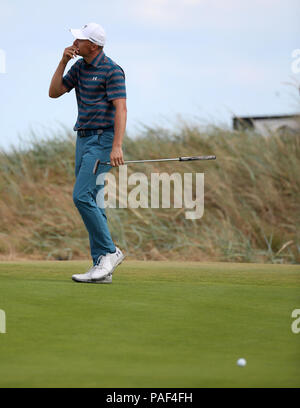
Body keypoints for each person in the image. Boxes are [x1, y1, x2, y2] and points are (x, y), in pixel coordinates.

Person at [49, 22, 126, 284]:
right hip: (83, 140)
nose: (76, 43)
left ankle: (109, 252)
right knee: (93, 199)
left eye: (80, 40)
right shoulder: (79, 67)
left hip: (102, 140)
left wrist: (116, 145)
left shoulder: (112, 70)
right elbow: (54, 92)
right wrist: (62, 61)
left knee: (81, 196)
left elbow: (121, 109)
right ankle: (100, 267)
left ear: (92, 45)